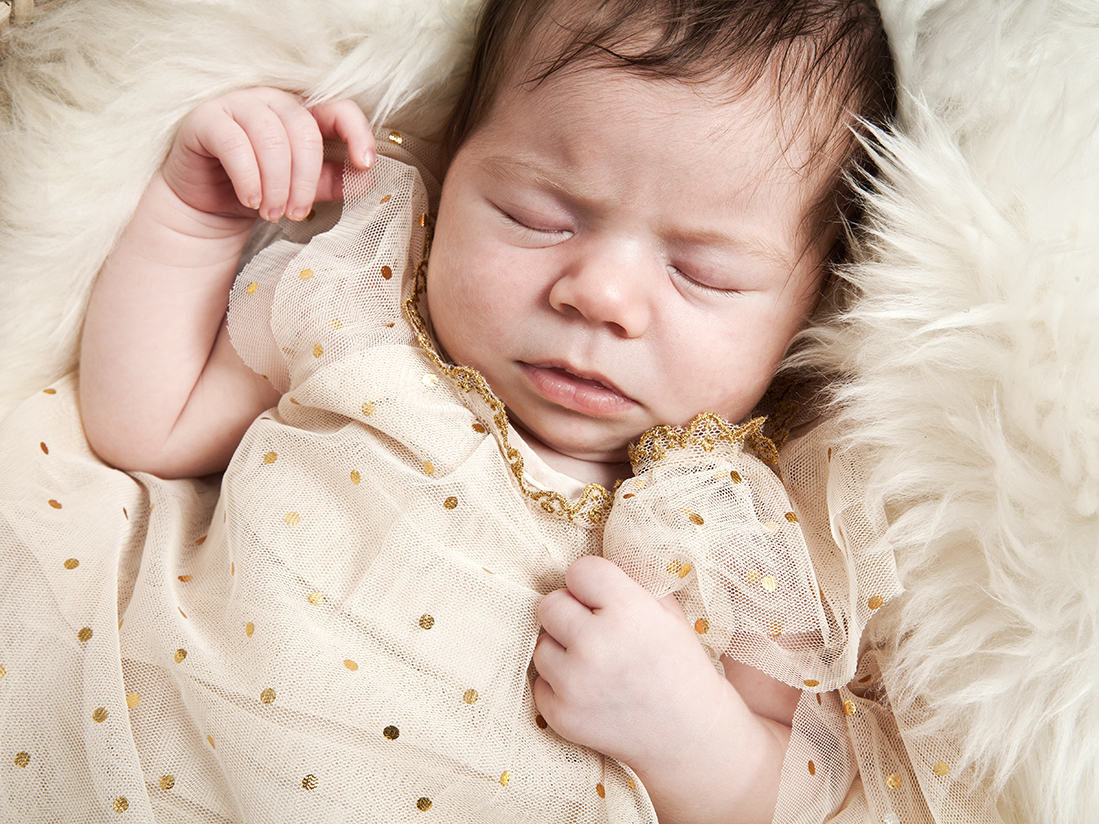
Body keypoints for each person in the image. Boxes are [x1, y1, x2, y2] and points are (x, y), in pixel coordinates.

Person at [1, 1, 981, 822]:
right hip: (135, 757)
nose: (599, 294)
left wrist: (699, 740)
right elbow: (143, 423)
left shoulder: (741, 529)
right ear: (453, 168)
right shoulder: (360, 312)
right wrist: (195, 218)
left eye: (702, 272)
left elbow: (816, 790)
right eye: (536, 215)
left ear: (808, 308)